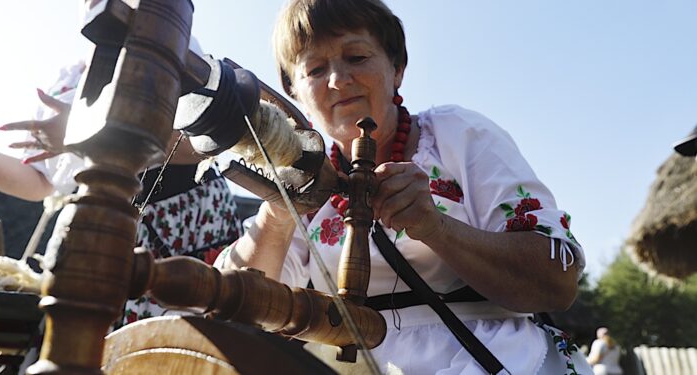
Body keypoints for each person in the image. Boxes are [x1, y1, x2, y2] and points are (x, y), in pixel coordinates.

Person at [218, 0, 589, 373]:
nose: (337, 80)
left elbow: (556, 284)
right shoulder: (304, 182)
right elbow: (234, 313)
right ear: (293, 90)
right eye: (315, 69)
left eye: (357, 57)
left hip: (497, 359)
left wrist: (436, 228)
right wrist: (278, 209)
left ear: (397, 68)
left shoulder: (458, 135)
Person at [0, 58, 242, 326]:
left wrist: (88, 131)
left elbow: (201, 143)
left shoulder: (174, 44)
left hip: (183, 224)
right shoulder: (70, 75)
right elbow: (41, 182)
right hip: (96, 227)